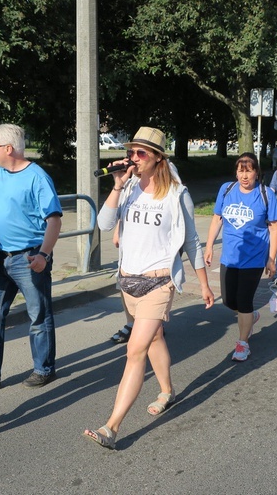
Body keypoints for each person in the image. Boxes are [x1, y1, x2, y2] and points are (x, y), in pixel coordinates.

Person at [83, 127, 214, 450]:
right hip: (128, 279)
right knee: (154, 337)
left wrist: (205, 284)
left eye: (141, 153)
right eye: (132, 153)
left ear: (158, 158)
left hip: (159, 281)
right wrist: (116, 186)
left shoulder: (176, 194)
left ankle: (111, 427)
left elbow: (192, 242)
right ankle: (167, 390)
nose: (134, 159)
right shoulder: (127, 189)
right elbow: (104, 224)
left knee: (134, 350)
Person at [0, 124, 63, 393]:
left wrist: (44, 255)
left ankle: (44, 368)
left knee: (38, 314)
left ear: (8, 149)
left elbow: (54, 220)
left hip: (30, 256)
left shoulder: (38, 177)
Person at [205, 152, 277, 361]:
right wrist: (209, 246)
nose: (244, 176)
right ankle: (252, 317)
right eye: (240, 171)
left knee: (244, 300)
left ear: (257, 172)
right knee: (230, 300)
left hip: (254, 257)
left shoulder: (266, 194)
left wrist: (271, 258)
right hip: (230, 256)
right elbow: (217, 219)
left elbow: (274, 228)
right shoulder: (226, 189)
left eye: (249, 171)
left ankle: (242, 343)